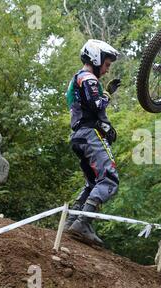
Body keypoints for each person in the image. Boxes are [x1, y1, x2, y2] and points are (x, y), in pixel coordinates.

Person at [64, 39, 121, 246]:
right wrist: (105, 96)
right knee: (109, 179)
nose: (106, 70)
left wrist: (106, 94)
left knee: (92, 182)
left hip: (79, 136)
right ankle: (82, 222)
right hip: (89, 135)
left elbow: (87, 106)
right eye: (106, 64)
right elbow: (96, 104)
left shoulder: (76, 80)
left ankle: (71, 221)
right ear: (96, 58)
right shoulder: (88, 77)